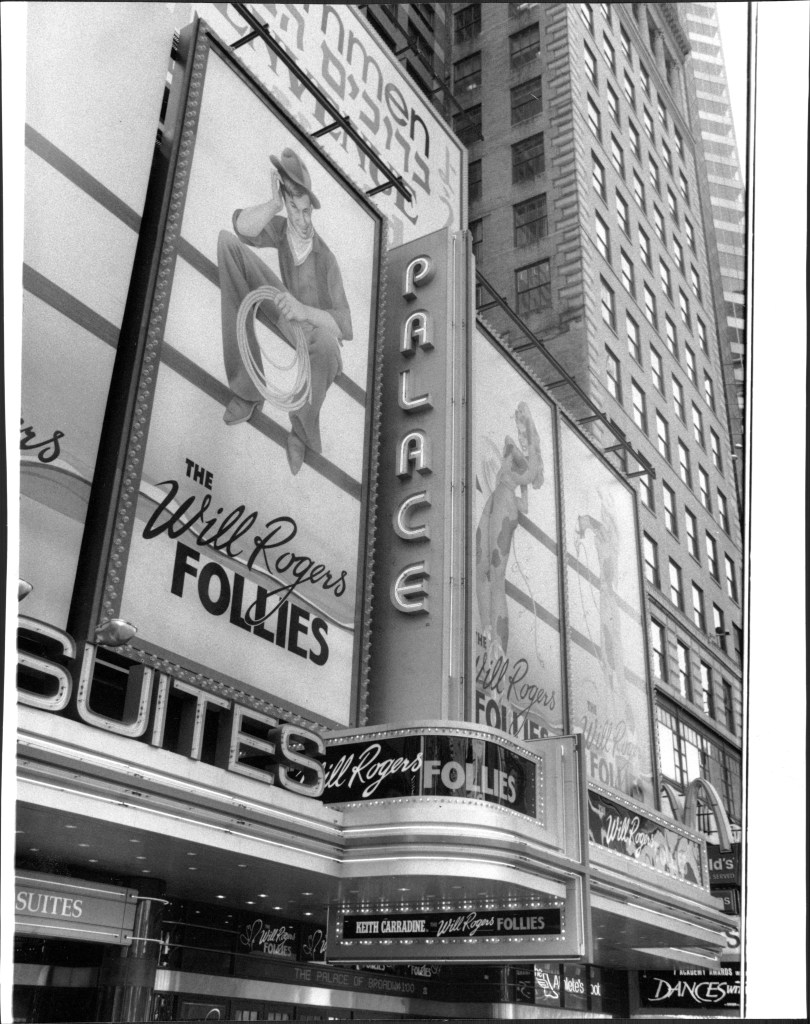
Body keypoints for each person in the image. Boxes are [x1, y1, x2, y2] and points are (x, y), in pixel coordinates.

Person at [217, 147, 352, 475]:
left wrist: (303, 310)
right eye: (295, 208)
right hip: (280, 308)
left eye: (307, 211)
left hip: (313, 333)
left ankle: (301, 433)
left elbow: (343, 326)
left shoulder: (326, 259)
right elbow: (240, 228)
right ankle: (248, 391)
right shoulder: (281, 228)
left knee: (329, 346)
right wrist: (273, 204)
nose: (303, 220)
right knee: (226, 244)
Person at [475, 402, 543, 658]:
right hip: (498, 501)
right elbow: (524, 503)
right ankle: (487, 632)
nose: (519, 432)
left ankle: (499, 647)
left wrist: (516, 451)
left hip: (504, 505)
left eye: (523, 426)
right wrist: (512, 451)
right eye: (518, 425)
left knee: (495, 573)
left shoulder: (532, 455)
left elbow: (530, 476)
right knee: (480, 566)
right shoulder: (516, 449)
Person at [575, 490, 625, 693]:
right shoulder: (608, 532)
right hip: (608, 592)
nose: (605, 513)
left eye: (607, 509)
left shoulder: (608, 531)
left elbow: (588, 521)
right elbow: (588, 522)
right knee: (610, 635)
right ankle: (611, 677)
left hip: (608, 593)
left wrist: (580, 532)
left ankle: (612, 677)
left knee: (610, 635)